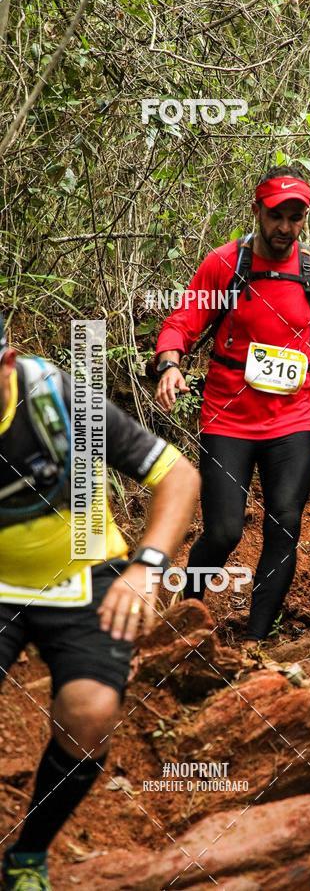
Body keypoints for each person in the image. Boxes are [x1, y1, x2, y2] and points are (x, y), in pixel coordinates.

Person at [153, 164, 310, 650]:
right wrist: (169, 363)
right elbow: (183, 320)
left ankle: (255, 642)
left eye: (296, 217)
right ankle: (183, 624)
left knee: (284, 522)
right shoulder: (224, 265)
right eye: (276, 215)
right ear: (256, 211)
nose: (285, 227)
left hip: (290, 422)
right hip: (228, 417)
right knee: (223, 531)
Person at [0, 314, 199, 890]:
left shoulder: (57, 400)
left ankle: (29, 853)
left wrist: (148, 566)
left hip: (84, 578)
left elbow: (177, 476)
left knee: (89, 713)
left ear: (8, 366)